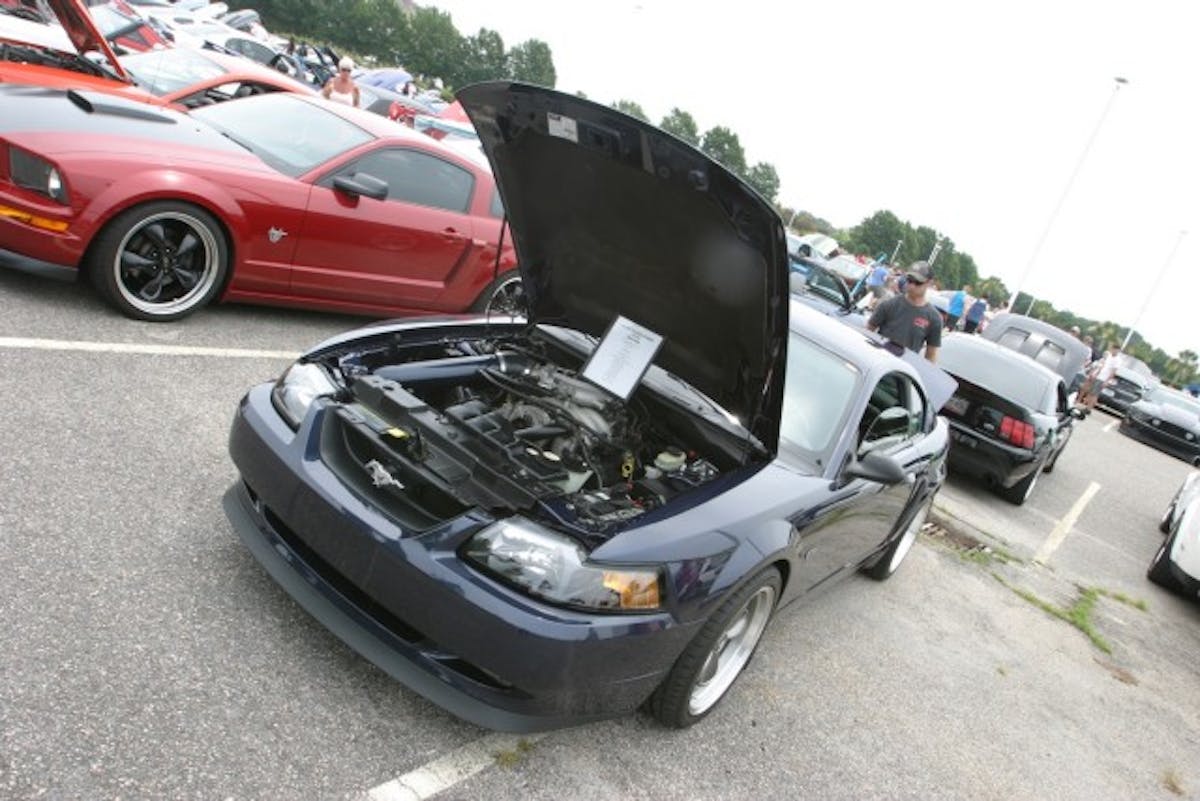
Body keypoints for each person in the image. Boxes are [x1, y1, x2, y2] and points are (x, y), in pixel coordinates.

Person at [867, 260, 943, 362]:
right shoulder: (889, 303)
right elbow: (868, 332)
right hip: (878, 362)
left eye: (917, 282)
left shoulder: (934, 318)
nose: (911, 286)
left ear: (929, 283)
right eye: (909, 280)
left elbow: (930, 356)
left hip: (903, 371)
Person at [1080, 343, 1121, 411]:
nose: (1113, 351)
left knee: (1095, 394)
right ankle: (1087, 406)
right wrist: (1096, 374)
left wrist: (1107, 381)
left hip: (1103, 378)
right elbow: (1103, 366)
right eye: (1112, 349)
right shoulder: (1110, 356)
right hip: (1099, 376)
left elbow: (1113, 372)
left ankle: (1088, 408)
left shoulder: (1117, 360)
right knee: (1091, 392)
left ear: (1117, 350)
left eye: (1114, 349)